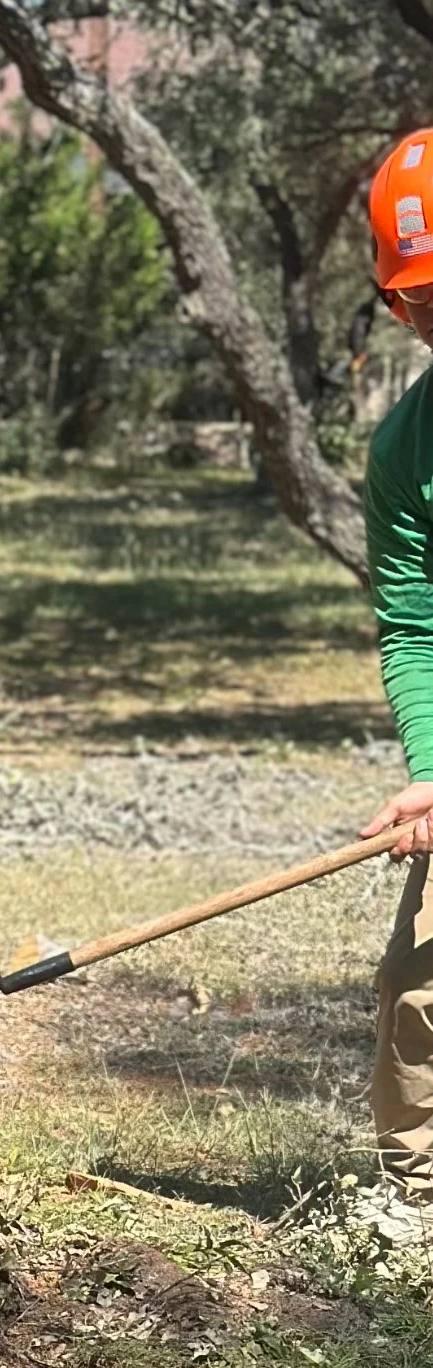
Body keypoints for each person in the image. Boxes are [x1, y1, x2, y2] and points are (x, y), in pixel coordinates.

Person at [359, 125, 433, 1240]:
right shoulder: (404, 448)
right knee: (418, 989)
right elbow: (414, 628)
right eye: (424, 302)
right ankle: (414, 1212)